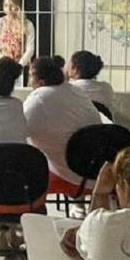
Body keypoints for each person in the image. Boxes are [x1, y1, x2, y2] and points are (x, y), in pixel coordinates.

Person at [24, 57, 102, 196]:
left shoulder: (38, 99)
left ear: (40, 81)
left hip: (68, 178)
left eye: (30, 76)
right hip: (98, 175)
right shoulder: (76, 91)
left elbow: (18, 130)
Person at [0, 0, 35, 67]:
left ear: (18, 6)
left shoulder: (28, 24)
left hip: (20, 63)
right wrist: (3, 62)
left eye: (12, 5)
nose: (9, 9)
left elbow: (30, 49)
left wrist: (19, 65)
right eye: (6, 5)